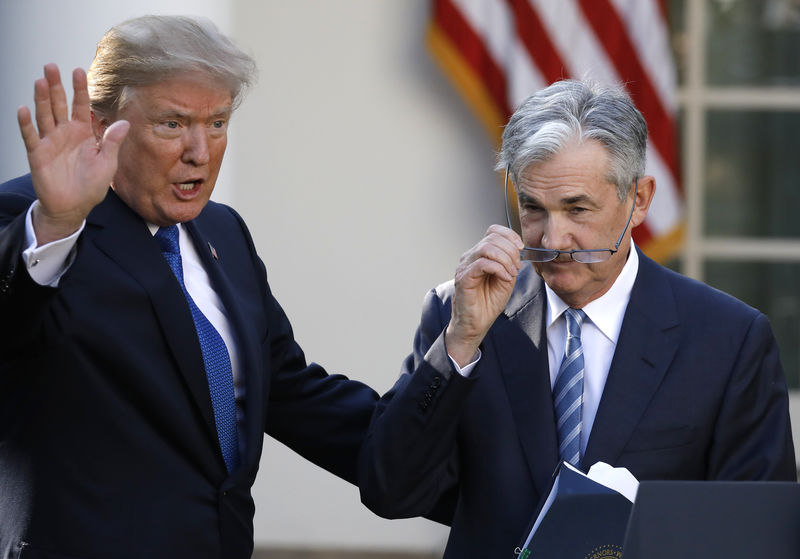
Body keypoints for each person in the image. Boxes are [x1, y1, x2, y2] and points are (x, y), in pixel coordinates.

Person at [358, 79, 797, 557]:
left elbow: (758, 535)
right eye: (533, 209)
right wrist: (460, 343)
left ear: (639, 200)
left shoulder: (728, 340)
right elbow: (391, 491)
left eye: (577, 208)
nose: (553, 239)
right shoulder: (459, 314)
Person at [0, 15, 379, 559]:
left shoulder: (223, 230)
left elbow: (290, 392)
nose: (200, 152)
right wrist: (56, 225)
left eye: (218, 123)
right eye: (173, 125)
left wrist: (475, 481)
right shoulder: (33, 219)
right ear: (100, 125)